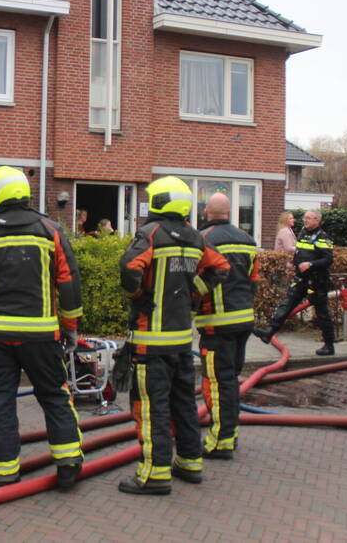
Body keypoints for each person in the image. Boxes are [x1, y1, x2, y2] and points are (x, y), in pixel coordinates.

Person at [0, 166, 84, 489]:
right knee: (55, 396)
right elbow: (69, 285)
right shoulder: (50, 231)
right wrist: (70, 328)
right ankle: (68, 463)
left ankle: (3, 472)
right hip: (41, 335)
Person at [117, 176, 229, 496]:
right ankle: (190, 462)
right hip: (181, 340)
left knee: (151, 407)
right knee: (183, 403)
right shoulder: (196, 238)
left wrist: (138, 294)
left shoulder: (151, 234)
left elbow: (129, 268)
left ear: (157, 202)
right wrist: (195, 294)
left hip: (150, 341)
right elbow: (221, 268)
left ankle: (154, 474)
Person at [196, 192, 260, 460]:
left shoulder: (203, 240)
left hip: (216, 324)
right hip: (244, 321)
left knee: (217, 383)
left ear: (207, 212)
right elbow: (254, 281)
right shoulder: (248, 240)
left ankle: (220, 441)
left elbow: (198, 281)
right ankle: (230, 434)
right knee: (230, 381)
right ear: (230, 212)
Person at [254, 209, 336, 355]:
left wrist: (310, 264)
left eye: (309, 218)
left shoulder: (322, 237)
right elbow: (299, 252)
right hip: (302, 279)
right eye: (304, 218)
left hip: (317, 282)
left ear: (317, 220)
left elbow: (328, 259)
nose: (305, 220)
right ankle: (269, 332)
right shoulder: (303, 233)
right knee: (286, 304)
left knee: (322, 314)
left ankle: (329, 345)